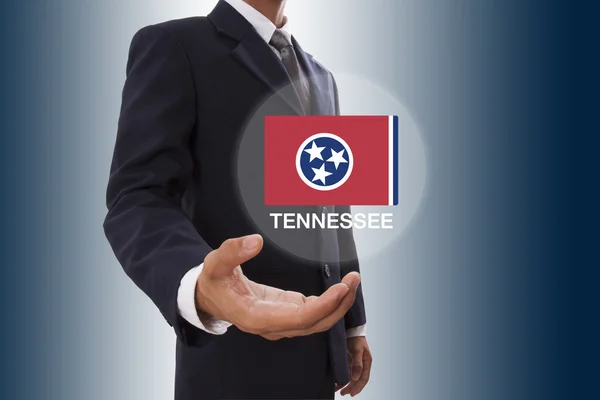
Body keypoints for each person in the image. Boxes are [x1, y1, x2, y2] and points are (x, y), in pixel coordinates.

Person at [104, 0, 372, 398]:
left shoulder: (323, 76)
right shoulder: (175, 45)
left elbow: (333, 206)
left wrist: (353, 324)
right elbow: (138, 196)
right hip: (232, 357)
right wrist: (198, 285)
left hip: (319, 354)